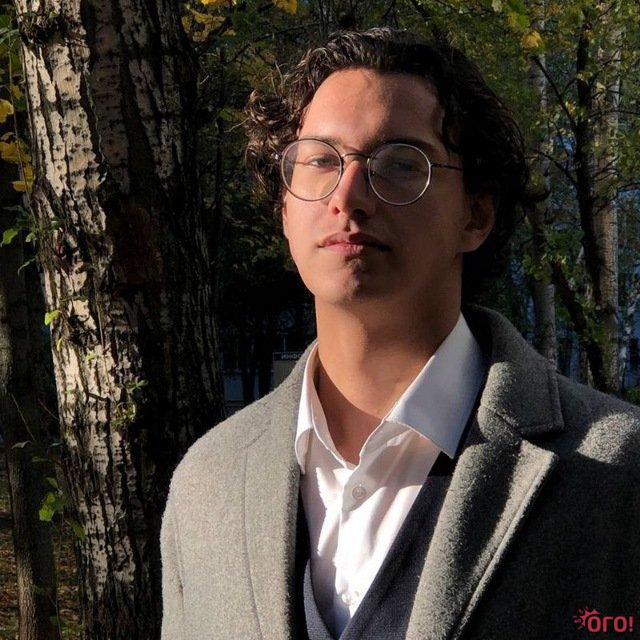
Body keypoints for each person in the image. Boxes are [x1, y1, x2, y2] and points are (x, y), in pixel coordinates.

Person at [160, 28, 640, 640]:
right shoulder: (208, 482)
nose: (349, 196)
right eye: (320, 160)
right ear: (284, 206)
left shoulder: (617, 472)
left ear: (476, 214)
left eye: (400, 164)